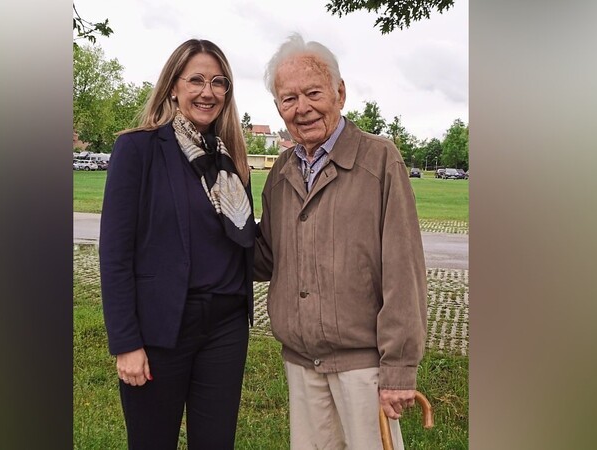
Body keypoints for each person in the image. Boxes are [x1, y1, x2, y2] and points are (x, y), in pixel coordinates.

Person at [254, 33, 428, 450]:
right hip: (301, 363)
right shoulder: (281, 171)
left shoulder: (380, 159)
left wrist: (399, 368)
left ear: (340, 92)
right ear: (278, 107)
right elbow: (263, 258)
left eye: (313, 92)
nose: (302, 108)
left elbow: (404, 270)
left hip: (363, 365)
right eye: (288, 98)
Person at [99, 38, 255, 449]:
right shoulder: (138, 148)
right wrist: (126, 343)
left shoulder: (231, 159)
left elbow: (243, 241)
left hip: (225, 327)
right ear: (173, 86)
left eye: (219, 82)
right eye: (197, 80)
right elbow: (114, 256)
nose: (209, 91)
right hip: (160, 328)